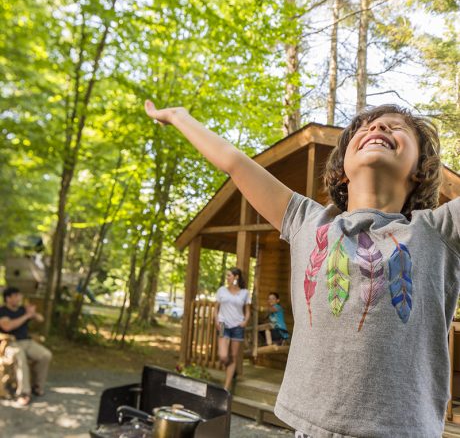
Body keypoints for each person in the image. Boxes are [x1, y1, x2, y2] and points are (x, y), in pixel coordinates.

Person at [144, 100, 459, 437]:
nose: (378, 127)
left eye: (396, 126)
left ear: (420, 170)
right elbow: (235, 164)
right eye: (365, 127)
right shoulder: (307, 222)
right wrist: (180, 117)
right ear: (340, 172)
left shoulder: (438, 230)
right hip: (309, 429)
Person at [0, 287, 52, 406]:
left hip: (27, 342)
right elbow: (7, 326)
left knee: (45, 355)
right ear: (8, 298)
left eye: (19, 295)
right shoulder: (2, 311)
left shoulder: (23, 309)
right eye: (16, 296)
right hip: (9, 344)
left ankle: (37, 386)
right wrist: (27, 316)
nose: (19, 298)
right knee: (20, 357)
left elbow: (40, 319)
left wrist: (33, 313)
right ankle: (24, 393)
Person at [215, 268, 250, 390]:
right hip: (223, 325)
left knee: (233, 356)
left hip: (237, 327)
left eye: (229, 275)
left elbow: (247, 311)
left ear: (236, 277)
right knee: (223, 356)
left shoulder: (244, 293)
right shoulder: (222, 291)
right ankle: (229, 368)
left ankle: (226, 386)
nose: (227, 277)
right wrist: (216, 320)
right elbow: (216, 308)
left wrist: (245, 321)